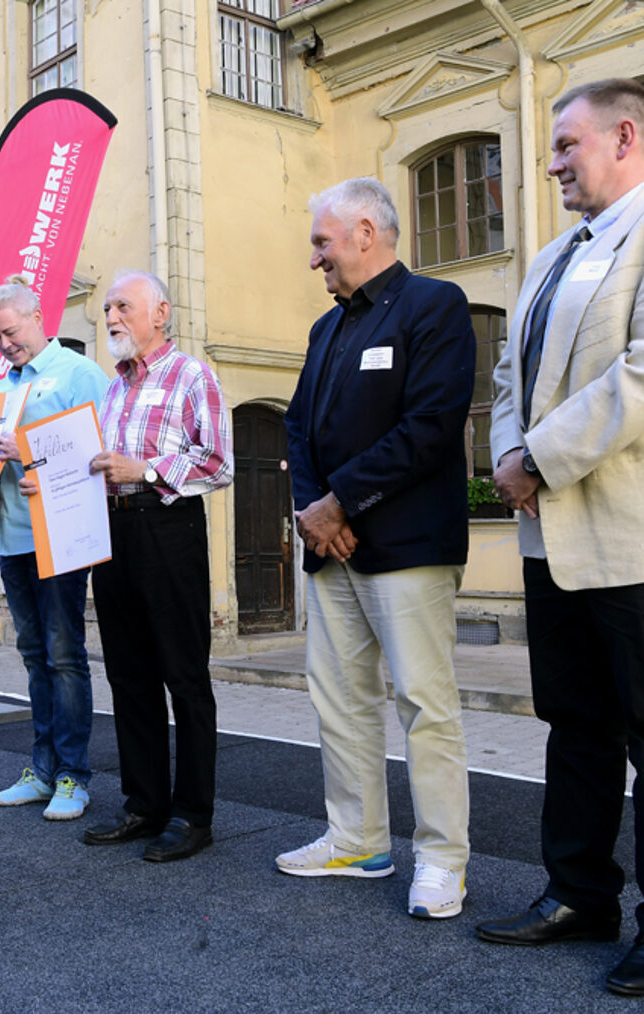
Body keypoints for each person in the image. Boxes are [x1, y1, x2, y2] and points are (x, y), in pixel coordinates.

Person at [476, 79, 644, 998]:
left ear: (627, 135)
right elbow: (508, 371)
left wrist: (536, 458)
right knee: (574, 726)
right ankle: (578, 893)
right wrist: (509, 446)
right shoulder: (550, 256)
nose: (548, 165)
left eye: (563, 144)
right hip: (555, 538)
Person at [277, 178, 475, 919]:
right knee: (340, 699)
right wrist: (311, 510)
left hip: (407, 546)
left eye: (322, 243)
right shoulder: (326, 329)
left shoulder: (434, 306)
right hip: (333, 549)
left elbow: (430, 425)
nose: (315, 260)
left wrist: (339, 500)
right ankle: (357, 839)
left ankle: (443, 861)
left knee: (425, 704)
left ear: (366, 232)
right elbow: (298, 425)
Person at [77, 270, 233, 862]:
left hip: (168, 528)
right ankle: (144, 805)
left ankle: (193, 815)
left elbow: (218, 463)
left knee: (184, 675)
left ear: (160, 312)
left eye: (122, 306)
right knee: (128, 674)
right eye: (107, 308)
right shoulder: (115, 389)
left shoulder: (192, 376)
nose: (111, 316)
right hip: (113, 532)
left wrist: (142, 470)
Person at [0, 277, 109, 822]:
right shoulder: (5, 386)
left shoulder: (80, 374)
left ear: (38, 317)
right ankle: (41, 770)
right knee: (34, 655)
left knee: (65, 656)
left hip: (61, 536)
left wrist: (27, 450)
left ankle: (73, 776)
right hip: (15, 540)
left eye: (10, 332)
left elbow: (100, 455)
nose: (4, 345)